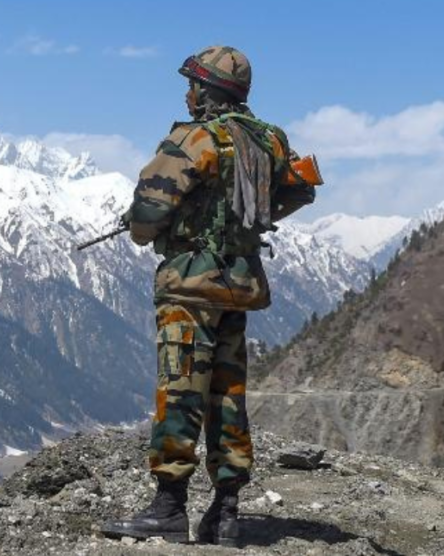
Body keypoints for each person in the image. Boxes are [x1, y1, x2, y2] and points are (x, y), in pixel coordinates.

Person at [102, 46, 284, 547]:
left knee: (181, 390)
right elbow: (292, 194)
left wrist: (158, 224)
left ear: (207, 91)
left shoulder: (194, 139)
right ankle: (226, 513)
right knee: (227, 395)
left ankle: (168, 508)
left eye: (192, 85)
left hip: (189, 287)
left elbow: (147, 214)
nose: (187, 93)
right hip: (238, 287)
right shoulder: (268, 141)